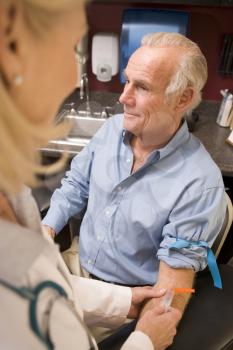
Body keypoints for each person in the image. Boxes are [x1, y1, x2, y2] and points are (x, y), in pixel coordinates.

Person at [0, 1, 181, 349]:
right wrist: (145, 342)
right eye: (70, 48)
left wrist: (123, 301)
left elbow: (42, 283)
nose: (73, 75)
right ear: (13, 51)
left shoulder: (10, 194)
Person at [43, 31, 227, 317]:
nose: (123, 97)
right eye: (127, 81)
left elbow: (169, 297)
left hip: (131, 300)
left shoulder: (199, 185)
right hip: (75, 267)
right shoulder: (111, 128)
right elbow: (76, 185)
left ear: (183, 98)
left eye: (141, 87)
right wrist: (47, 228)